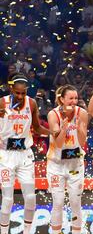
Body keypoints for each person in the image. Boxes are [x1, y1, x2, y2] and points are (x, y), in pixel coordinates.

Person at [0, 73, 49, 234]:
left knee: (30, 197)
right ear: (10, 89)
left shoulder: (32, 103)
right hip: (6, 155)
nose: (20, 96)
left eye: (23, 93)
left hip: (25, 154)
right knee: (7, 199)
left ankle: (27, 232)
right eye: (17, 92)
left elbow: (36, 127)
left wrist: (53, 132)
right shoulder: (2, 103)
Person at [46, 84, 88, 234]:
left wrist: (78, 129)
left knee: (75, 202)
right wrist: (64, 127)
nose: (74, 101)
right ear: (62, 99)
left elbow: (82, 142)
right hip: (56, 165)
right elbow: (58, 143)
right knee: (58, 203)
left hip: (75, 164)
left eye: (76, 98)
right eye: (70, 98)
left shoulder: (82, 113)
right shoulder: (53, 115)